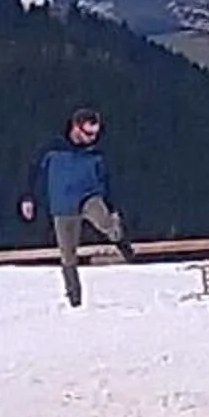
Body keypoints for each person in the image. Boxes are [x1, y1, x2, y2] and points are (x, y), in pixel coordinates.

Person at [22, 108, 133, 308]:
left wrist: (113, 206)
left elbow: (108, 180)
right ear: (76, 128)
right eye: (89, 133)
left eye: (96, 134)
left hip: (89, 196)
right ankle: (74, 298)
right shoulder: (52, 148)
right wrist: (28, 197)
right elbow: (34, 171)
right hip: (63, 205)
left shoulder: (97, 152)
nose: (93, 138)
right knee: (67, 253)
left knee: (103, 220)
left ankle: (119, 238)